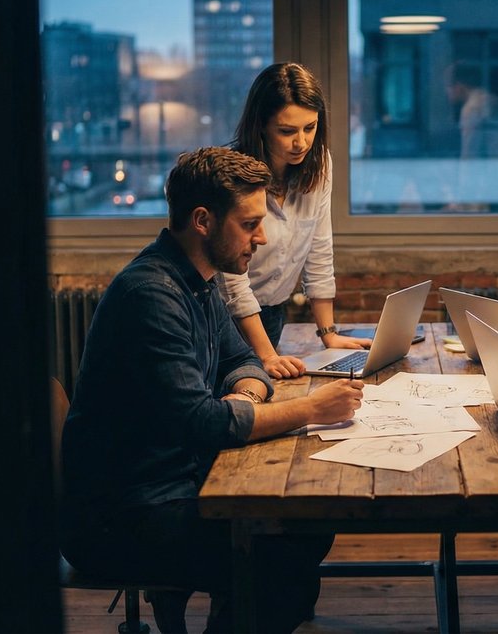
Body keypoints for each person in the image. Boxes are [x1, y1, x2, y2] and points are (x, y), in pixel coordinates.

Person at [59, 147, 365, 634]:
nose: (261, 238)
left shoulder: (199, 279)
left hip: (174, 484)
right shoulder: (152, 295)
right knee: (285, 572)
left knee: (309, 529)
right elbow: (203, 424)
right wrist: (312, 409)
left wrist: (244, 397)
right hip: (122, 516)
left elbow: (244, 361)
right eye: (249, 225)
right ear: (202, 220)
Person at [218, 62, 368, 379]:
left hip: (273, 314)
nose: (301, 142)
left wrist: (328, 334)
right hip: (225, 319)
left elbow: (319, 249)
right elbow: (232, 281)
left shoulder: (319, 164)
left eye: (309, 128)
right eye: (287, 131)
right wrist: (267, 355)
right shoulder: (234, 174)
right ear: (261, 125)